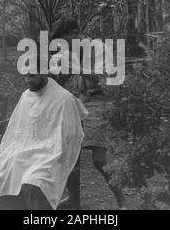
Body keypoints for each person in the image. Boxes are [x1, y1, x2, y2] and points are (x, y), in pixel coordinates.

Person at [0, 54, 88, 210]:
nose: (27, 80)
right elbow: (18, 129)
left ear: (44, 73)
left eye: (32, 75)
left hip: (50, 154)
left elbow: (71, 136)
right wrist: (9, 148)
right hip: (22, 151)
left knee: (34, 182)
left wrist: (53, 149)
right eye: (25, 76)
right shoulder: (26, 96)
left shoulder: (63, 99)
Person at [50, 17, 126, 210]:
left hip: (101, 102)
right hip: (81, 102)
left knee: (99, 160)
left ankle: (122, 202)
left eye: (64, 40)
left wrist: (77, 69)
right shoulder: (70, 53)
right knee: (69, 155)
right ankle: (74, 201)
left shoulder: (99, 49)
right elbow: (61, 77)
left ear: (75, 35)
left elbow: (103, 78)